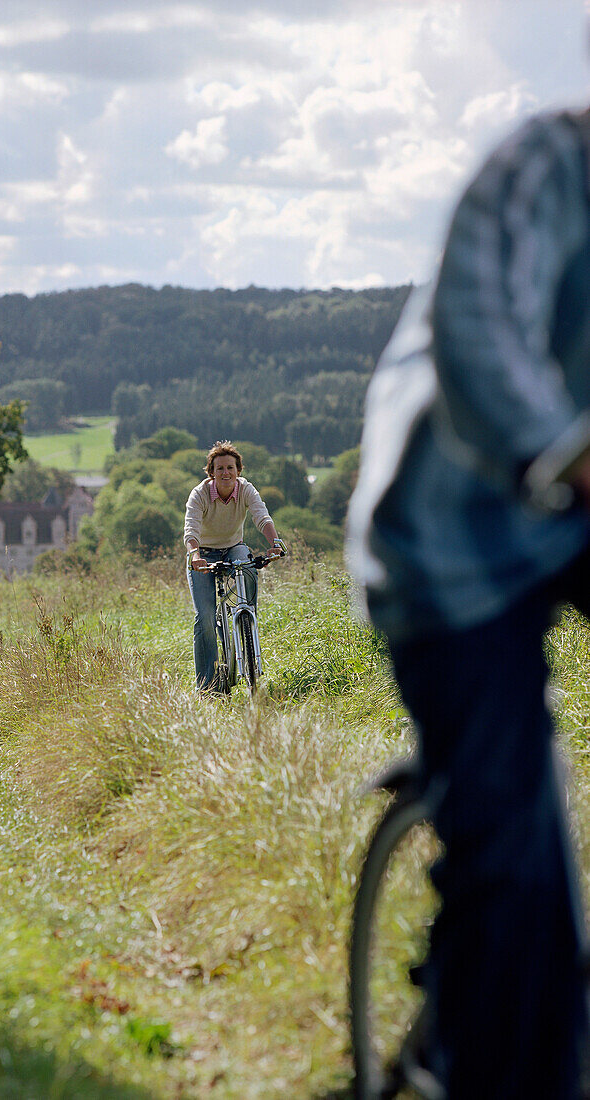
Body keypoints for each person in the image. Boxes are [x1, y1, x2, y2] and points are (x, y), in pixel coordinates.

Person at [347, 107, 590, 1098]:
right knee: (513, 852)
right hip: (450, 541)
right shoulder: (550, 166)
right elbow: (480, 325)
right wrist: (559, 451)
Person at [184, 440, 285, 691]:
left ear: (238, 470)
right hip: (203, 555)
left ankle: (247, 619)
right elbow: (191, 529)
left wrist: (275, 542)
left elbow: (261, 517)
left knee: (248, 565)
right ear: (211, 473)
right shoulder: (199, 494)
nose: (226, 473)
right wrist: (194, 555)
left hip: (233, 547)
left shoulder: (246, 490)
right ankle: (207, 685)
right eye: (220, 469)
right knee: (205, 618)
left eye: (230, 467)